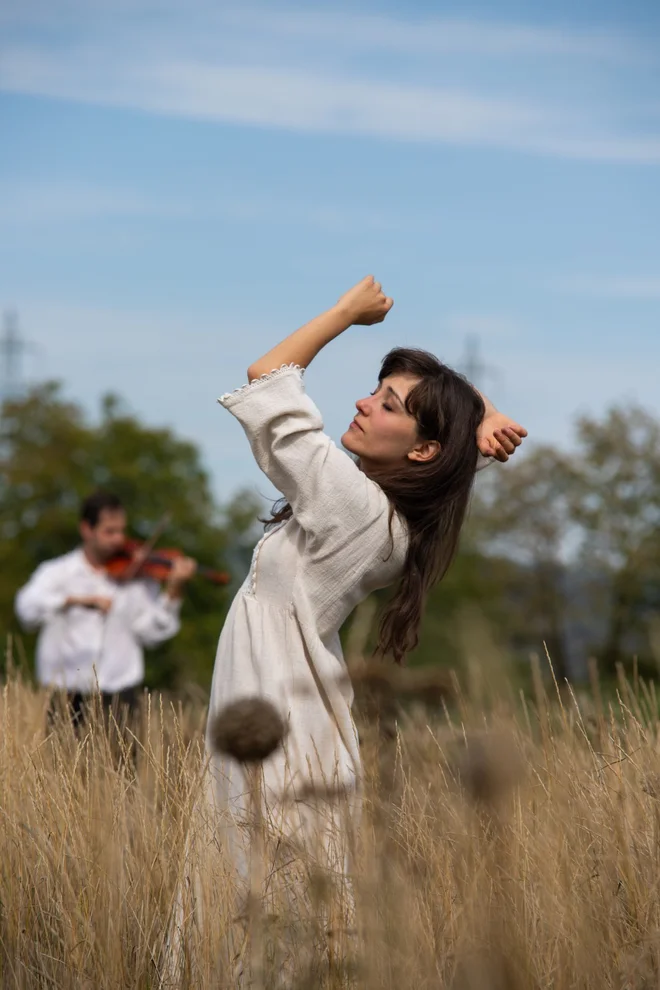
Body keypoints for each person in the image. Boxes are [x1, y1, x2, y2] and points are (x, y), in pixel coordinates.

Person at [175, 275, 527, 944]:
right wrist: (481, 408)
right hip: (285, 721)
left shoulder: (352, 507)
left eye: (388, 403)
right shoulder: (386, 517)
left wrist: (344, 313)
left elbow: (267, 376)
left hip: (277, 730)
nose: (365, 403)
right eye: (375, 389)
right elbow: (438, 421)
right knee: (259, 910)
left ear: (422, 449)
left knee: (253, 914)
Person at [15, 490, 196, 730]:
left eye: (121, 530)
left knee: (121, 765)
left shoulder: (139, 579)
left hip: (121, 697)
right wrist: (74, 601)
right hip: (66, 696)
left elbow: (153, 634)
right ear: (87, 530)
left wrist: (174, 591)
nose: (119, 539)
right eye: (109, 531)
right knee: (58, 765)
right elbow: (26, 608)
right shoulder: (58, 572)